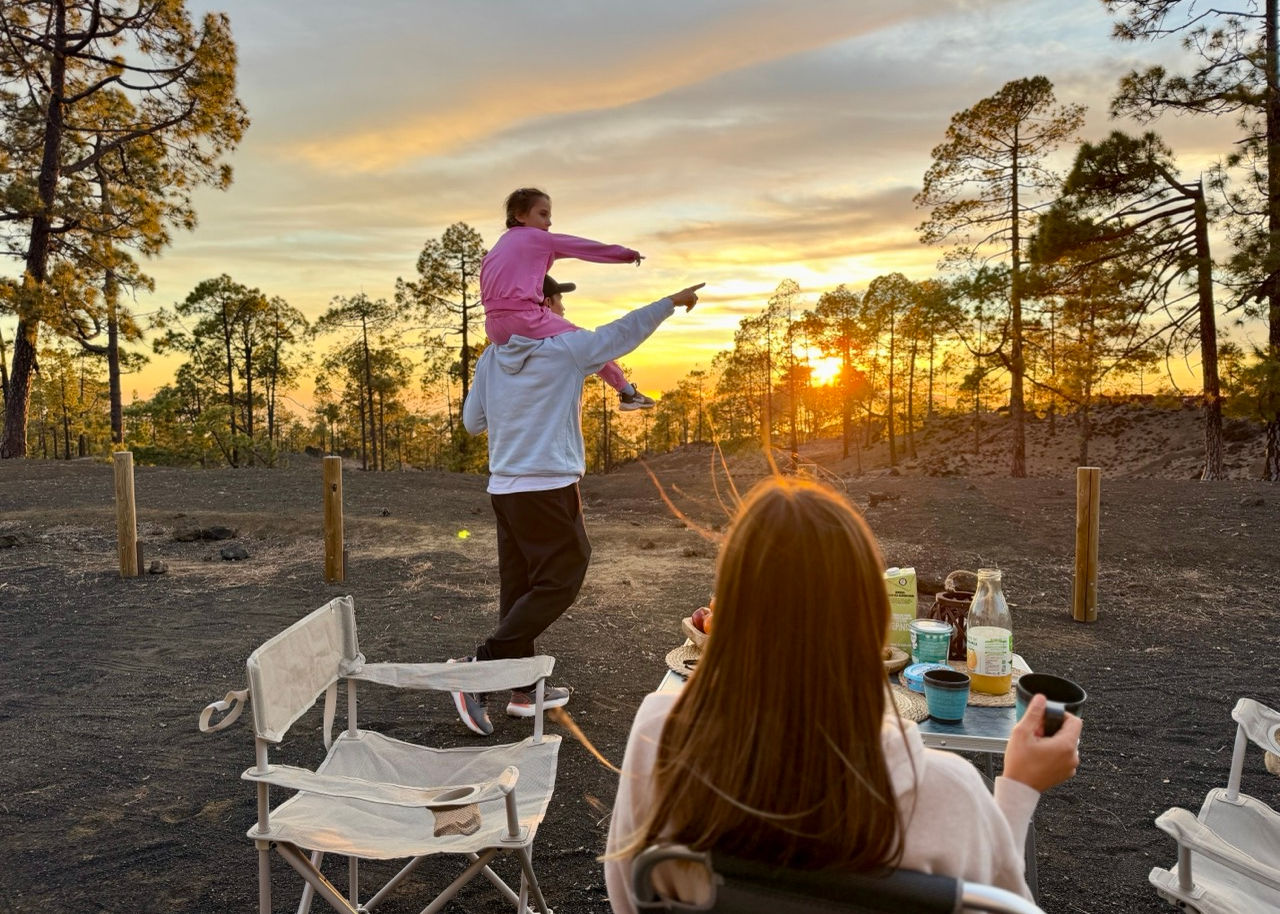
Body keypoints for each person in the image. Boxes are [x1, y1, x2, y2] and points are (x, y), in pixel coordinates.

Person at [603, 477, 1082, 911]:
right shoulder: (945, 793)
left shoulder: (661, 734)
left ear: (726, 620)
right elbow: (1002, 904)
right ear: (872, 626)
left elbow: (630, 897)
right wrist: (1019, 788)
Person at [453, 279, 706, 736]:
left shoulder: (490, 357)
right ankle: (478, 669)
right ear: (543, 303)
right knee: (563, 576)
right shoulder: (565, 348)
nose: (564, 308)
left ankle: (523, 688)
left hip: (505, 488)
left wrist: (512, 406)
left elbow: (473, 423)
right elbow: (622, 332)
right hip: (548, 488)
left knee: (521, 585)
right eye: (560, 300)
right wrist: (672, 301)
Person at [480, 187, 657, 410]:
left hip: (494, 328)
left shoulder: (495, 250)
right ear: (520, 215)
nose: (549, 222)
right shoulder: (538, 239)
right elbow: (584, 248)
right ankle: (628, 393)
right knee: (585, 341)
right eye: (543, 214)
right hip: (524, 319)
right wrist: (626, 255)